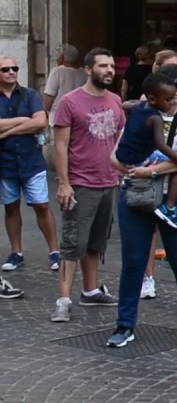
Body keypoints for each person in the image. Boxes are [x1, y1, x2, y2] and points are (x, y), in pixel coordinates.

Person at [108, 71, 177, 348]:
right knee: (133, 263)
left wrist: (150, 171)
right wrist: (134, 170)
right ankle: (124, 325)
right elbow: (115, 156)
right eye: (174, 85)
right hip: (136, 196)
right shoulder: (142, 114)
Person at [51, 48, 126, 322]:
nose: (109, 70)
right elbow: (60, 145)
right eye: (103, 66)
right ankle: (63, 300)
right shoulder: (70, 102)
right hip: (80, 183)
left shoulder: (116, 100)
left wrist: (122, 171)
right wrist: (64, 183)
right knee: (73, 243)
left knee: (96, 242)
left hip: (109, 182)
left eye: (112, 66)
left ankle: (91, 290)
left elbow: (120, 139)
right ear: (88, 69)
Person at [0, 55, 61, 273]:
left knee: (41, 205)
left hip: (31, 161)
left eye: (14, 68)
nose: (11, 72)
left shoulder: (30, 95)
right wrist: (23, 121)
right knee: (11, 207)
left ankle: (54, 251)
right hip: (5, 162)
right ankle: (16, 252)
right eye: (5, 69)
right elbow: (33, 121)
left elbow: (41, 122)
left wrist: (6, 131)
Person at [115, 73, 177, 229]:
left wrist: (140, 102)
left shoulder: (139, 107)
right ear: (153, 99)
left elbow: (125, 104)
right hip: (139, 158)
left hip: (123, 155)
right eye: (168, 99)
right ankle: (169, 207)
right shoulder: (155, 118)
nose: (172, 102)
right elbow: (161, 145)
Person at [42, 44, 88, 123]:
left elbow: (48, 98)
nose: (56, 59)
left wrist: (47, 111)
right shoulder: (84, 73)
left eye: (58, 56)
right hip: (78, 117)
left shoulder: (57, 71)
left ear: (62, 57)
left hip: (59, 117)